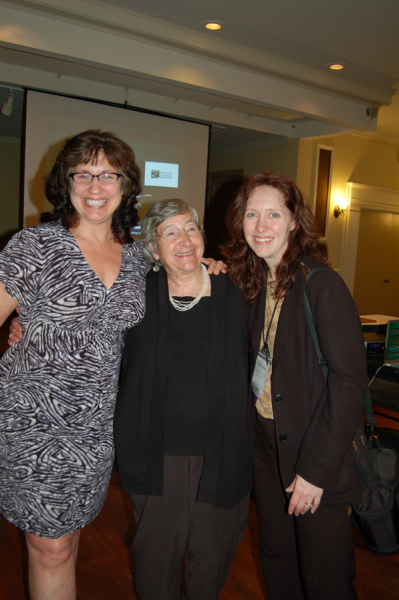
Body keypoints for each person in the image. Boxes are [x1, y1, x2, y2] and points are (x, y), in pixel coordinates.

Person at [0, 129, 149, 600]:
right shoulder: (33, 247)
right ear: (66, 183)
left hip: (95, 425)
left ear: (126, 186)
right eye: (82, 174)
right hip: (34, 422)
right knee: (52, 548)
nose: (95, 186)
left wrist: (209, 263)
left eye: (108, 175)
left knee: (73, 536)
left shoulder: (139, 259)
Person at [223, 172, 368, 600]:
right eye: (252, 214)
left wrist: (314, 472)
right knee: (278, 560)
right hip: (268, 449)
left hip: (314, 454)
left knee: (324, 577)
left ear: (293, 222)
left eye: (273, 214)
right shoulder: (255, 283)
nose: (261, 225)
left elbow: (349, 381)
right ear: (240, 222)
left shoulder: (321, 284)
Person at [113, 199, 252, 600]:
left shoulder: (237, 292)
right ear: (154, 249)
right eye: (170, 232)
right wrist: (21, 321)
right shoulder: (134, 294)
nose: (184, 240)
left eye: (190, 228)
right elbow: (84, 327)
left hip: (223, 455)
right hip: (156, 456)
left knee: (211, 564)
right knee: (154, 565)